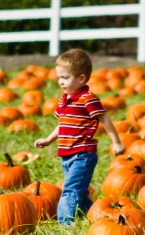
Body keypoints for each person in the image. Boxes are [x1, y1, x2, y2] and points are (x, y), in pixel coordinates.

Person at [34, 48, 125, 224]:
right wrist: (48, 139)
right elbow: (62, 124)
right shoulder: (64, 99)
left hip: (83, 155)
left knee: (70, 190)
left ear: (81, 78)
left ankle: (65, 224)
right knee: (80, 191)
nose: (60, 82)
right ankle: (94, 216)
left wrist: (117, 142)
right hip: (66, 155)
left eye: (65, 78)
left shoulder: (88, 98)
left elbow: (104, 118)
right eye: (59, 77)